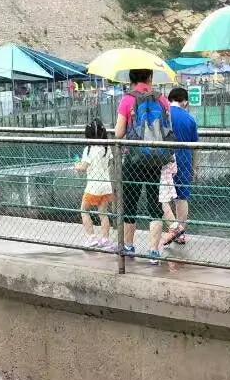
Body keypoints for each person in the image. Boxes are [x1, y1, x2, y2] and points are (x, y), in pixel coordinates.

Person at [114, 68, 173, 263]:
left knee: (130, 203)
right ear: (150, 77)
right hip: (156, 159)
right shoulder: (162, 99)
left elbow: (118, 133)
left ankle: (129, 247)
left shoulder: (127, 99)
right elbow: (167, 130)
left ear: (131, 79)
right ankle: (153, 251)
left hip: (133, 158)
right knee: (155, 206)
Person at [165, 85, 199, 246]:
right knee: (182, 196)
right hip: (184, 159)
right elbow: (195, 145)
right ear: (184, 102)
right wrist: (195, 165)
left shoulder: (164, 114)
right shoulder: (189, 119)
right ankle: (181, 232)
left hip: (164, 159)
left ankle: (172, 227)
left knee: (163, 195)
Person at [74, 119, 115, 250]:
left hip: (93, 187)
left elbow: (84, 167)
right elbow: (109, 164)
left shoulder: (89, 149)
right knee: (103, 214)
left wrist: (76, 166)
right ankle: (105, 239)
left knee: (84, 210)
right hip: (105, 186)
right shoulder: (106, 148)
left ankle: (91, 237)